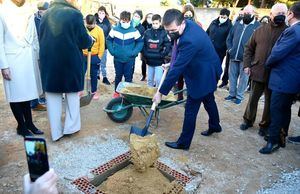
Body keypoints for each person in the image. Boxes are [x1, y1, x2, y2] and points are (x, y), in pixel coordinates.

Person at [153, 9, 222, 150]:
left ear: (182, 23)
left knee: (191, 109)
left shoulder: (190, 40)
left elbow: (177, 69)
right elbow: (178, 53)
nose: (169, 34)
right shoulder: (187, 26)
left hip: (203, 75)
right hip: (207, 68)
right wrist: (170, 63)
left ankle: (183, 143)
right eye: (167, 30)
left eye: (172, 30)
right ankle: (215, 125)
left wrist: (160, 93)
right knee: (209, 99)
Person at [39, 0, 93, 141]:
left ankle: (55, 133)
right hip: (69, 62)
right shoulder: (74, 14)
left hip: (49, 62)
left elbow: (41, 38)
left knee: (52, 98)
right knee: (72, 96)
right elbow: (83, 41)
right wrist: (90, 39)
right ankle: (71, 127)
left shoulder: (46, 14)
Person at [240, 3, 288, 136]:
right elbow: (248, 48)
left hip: (275, 75)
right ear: (271, 14)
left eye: (283, 14)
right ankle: (248, 120)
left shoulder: (287, 32)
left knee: (270, 102)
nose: (280, 16)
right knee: (253, 99)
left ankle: (265, 125)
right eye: (278, 14)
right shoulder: (260, 30)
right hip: (258, 71)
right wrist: (247, 65)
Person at [259, 2, 300, 154]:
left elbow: (277, 53)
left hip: (284, 79)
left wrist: (268, 63)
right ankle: (282, 136)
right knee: (285, 109)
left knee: (276, 110)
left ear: (291, 14)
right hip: (292, 79)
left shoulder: (293, 31)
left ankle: (273, 141)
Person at [0, 0, 44, 137]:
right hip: (12, 59)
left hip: (28, 58)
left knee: (27, 94)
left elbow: (35, 36)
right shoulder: (2, 11)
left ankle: (29, 123)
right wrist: (4, 65)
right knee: (16, 95)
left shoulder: (28, 9)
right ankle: (21, 126)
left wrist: (37, 56)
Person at [225, 5, 260, 105]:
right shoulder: (237, 24)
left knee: (244, 79)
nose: (246, 15)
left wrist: (253, 56)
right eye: (245, 13)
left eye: (248, 13)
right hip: (233, 55)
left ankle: (239, 96)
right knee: (232, 76)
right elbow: (229, 38)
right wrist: (230, 49)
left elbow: (258, 43)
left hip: (247, 58)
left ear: (253, 13)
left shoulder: (258, 26)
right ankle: (232, 94)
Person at [106, 11, 143, 98]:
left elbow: (140, 42)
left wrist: (133, 52)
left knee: (128, 77)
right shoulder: (114, 29)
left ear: (130, 21)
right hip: (117, 58)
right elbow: (108, 40)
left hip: (129, 59)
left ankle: (127, 93)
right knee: (118, 75)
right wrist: (112, 51)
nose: (125, 23)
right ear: (120, 20)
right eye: (123, 21)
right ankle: (117, 92)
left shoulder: (134, 31)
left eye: (127, 21)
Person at [142, 14, 171, 87]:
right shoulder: (147, 32)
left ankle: (157, 95)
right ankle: (149, 96)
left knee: (158, 79)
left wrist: (163, 54)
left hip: (159, 62)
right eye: (153, 23)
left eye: (156, 23)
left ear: (160, 23)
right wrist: (145, 54)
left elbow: (167, 44)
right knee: (149, 80)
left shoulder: (164, 32)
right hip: (149, 61)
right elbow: (143, 44)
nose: (154, 25)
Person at [206, 8, 232, 88]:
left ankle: (214, 83)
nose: (222, 18)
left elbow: (229, 38)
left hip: (220, 51)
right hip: (209, 49)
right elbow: (207, 33)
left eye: (224, 17)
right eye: (221, 16)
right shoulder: (214, 22)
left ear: (227, 17)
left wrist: (224, 47)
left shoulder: (229, 26)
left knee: (216, 67)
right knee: (207, 67)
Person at [30, 1, 49, 112]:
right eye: (42, 10)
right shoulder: (34, 19)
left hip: (46, 50)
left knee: (44, 74)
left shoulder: (48, 17)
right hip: (37, 51)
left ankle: (43, 97)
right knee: (37, 75)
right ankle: (38, 99)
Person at [82, 14, 105, 100]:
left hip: (94, 56)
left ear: (95, 23)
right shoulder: (82, 29)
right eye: (88, 25)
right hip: (83, 55)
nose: (89, 26)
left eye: (91, 25)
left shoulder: (99, 30)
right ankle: (79, 90)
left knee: (94, 75)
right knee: (81, 73)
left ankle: (94, 91)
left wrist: (99, 56)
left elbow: (102, 45)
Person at [95, 6, 111, 85]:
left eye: (103, 13)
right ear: (97, 13)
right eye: (100, 13)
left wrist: (107, 45)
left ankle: (104, 77)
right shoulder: (94, 21)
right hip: (95, 46)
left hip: (104, 46)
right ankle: (97, 75)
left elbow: (109, 35)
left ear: (105, 14)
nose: (101, 14)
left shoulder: (107, 22)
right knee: (96, 61)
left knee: (103, 63)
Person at [140, 12, 153, 81]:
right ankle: (143, 75)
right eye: (148, 17)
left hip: (152, 47)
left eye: (151, 17)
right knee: (143, 62)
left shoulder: (155, 25)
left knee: (152, 62)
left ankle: (151, 77)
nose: (150, 19)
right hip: (144, 46)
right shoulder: (143, 25)